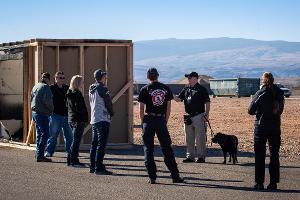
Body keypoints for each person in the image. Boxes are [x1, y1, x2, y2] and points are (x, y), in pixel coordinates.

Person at [138, 67, 184, 184]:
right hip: (160, 119)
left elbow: (141, 109)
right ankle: (175, 175)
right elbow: (168, 107)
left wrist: (144, 122)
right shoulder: (166, 88)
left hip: (149, 119)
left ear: (148, 77)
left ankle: (152, 177)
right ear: (158, 76)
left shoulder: (145, 89)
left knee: (148, 149)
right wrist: (165, 120)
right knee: (167, 148)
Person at [248, 72, 284, 191]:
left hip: (261, 127)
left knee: (260, 156)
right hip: (275, 127)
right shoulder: (280, 93)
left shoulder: (261, 93)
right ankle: (273, 183)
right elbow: (280, 110)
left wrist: (260, 111)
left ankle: (259, 183)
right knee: (274, 155)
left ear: (263, 81)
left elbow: (250, 110)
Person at [173, 72, 210, 163]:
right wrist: (171, 95)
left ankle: (201, 157)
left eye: (190, 77)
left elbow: (207, 102)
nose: (188, 79)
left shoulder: (201, 89)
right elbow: (178, 99)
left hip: (199, 116)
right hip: (188, 116)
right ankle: (190, 156)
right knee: (189, 138)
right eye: (188, 78)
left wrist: (206, 114)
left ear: (195, 78)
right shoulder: (186, 89)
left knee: (200, 138)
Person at [45, 71, 73, 165]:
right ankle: (49, 151)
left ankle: (70, 152)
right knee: (53, 135)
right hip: (55, 115)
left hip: (66, 115)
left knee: (69, 135)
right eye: (60, 78)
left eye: (63, 78)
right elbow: (47, 100)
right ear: (55, 78)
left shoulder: (67, 88)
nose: (62, 79)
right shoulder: (51, 88)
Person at [89, 69, 114, 175]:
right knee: (101, 144)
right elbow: (108, 102)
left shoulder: (91, 87)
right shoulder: (103, 88)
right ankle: (99, 167)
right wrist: (111, 113)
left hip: (94, 119)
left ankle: (93, 166)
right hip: (103, 118)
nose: (106, 77)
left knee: (94, 144)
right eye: (105, 76)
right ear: (102, 77)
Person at [31, 72, 54, 162]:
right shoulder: (45, 87)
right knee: (45, 134)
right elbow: (48, 101)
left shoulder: (36, 86)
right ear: (48, 79)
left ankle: (38, 154)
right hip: (42, 113)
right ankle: (40, 155)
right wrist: (52, 110)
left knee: (40, 134)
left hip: (35, 113)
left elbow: (31, 98)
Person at [66, 75, 88, 166]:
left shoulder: (69, 93)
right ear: (78, 83)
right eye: (82, 82)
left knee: (74, 140)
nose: (83, 84)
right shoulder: (77, 94)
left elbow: (68, 107)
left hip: (72, 119)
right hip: (78, 120)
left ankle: (70, 159)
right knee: (76, 141)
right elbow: (79, 108)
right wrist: (84, 118)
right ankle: (73, 160)